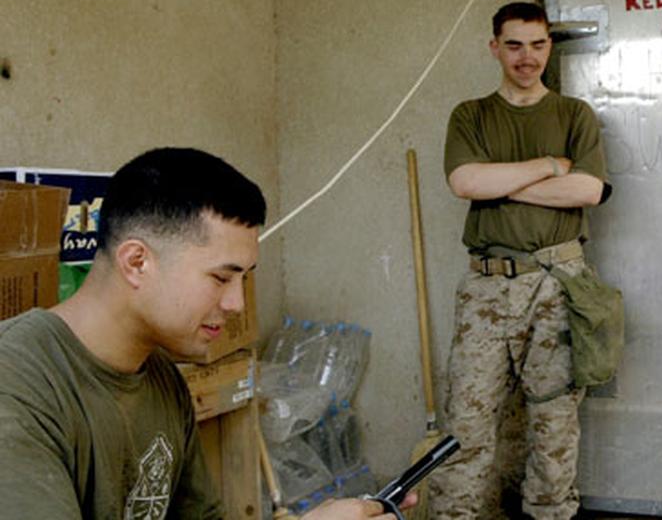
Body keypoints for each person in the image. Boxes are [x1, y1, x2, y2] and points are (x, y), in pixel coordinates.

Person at [0, 147, 414, 519]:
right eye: (221, 278)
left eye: (244, 281)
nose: (236, 304)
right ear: (137, 262)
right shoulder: (18, 385)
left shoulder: (162, 378)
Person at [428, 2, 610, 519]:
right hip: (487, 288)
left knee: (554, 422)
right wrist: (550, 168)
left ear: (549, 46)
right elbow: (465, 182)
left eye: (537, 44)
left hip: (559, 284)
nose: (526, 57)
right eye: (514, 45)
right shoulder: (472, 115)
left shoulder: (574, 115)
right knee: (466, 422)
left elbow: (589, 190)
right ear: (494, 48)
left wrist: (500, 183)